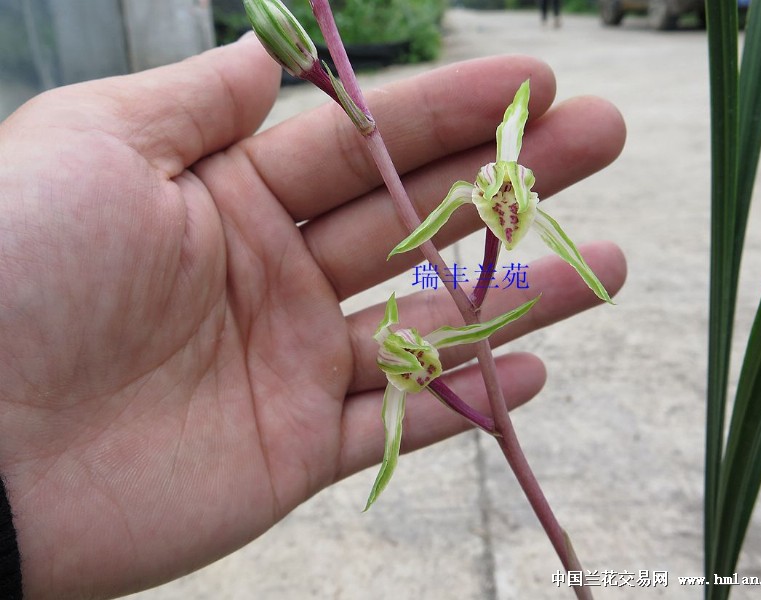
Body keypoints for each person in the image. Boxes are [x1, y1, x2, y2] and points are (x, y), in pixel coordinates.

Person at [0, 32, 626, 599]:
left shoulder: (482, 209)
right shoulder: (460, 212)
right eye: (498, 192)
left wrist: (481, 280)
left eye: (510, 193)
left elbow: (456, 256)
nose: (506, 202)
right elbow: (430, 246)